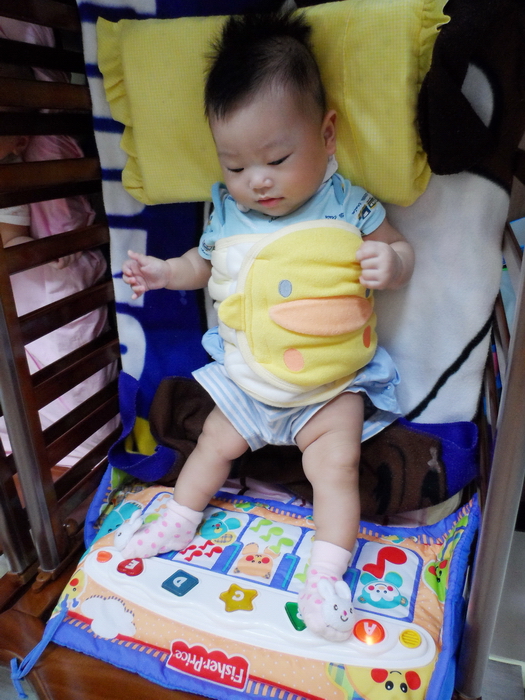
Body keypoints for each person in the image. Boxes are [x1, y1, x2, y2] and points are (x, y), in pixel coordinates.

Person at [120, 10, 414, 642]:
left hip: (330, 387)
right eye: (234, 166)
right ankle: (179, 516)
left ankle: (326, 577)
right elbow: (202, 264)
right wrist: (165, 272)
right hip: (249, 382)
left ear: (327, 134)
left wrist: (391, 262)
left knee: (337, 466)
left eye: (278, 157)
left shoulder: (346, 202)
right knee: (211, 443)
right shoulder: (228, 211)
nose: (256, 180)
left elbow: (400, 250)